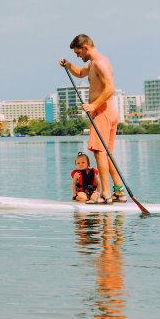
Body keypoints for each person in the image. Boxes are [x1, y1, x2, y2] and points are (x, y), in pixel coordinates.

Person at [60, 34, 126, 203]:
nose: (78, 56)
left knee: (99, 152)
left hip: (103, 112)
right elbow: (81, 73)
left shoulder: (100, 63)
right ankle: (118, 191)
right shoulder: (93, 64)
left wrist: (93, 105)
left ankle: (105, 193)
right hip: (108, 111)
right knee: (107, 153)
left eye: (78, 53)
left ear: (86, 48)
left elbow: (110, 88)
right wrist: (68, 65)